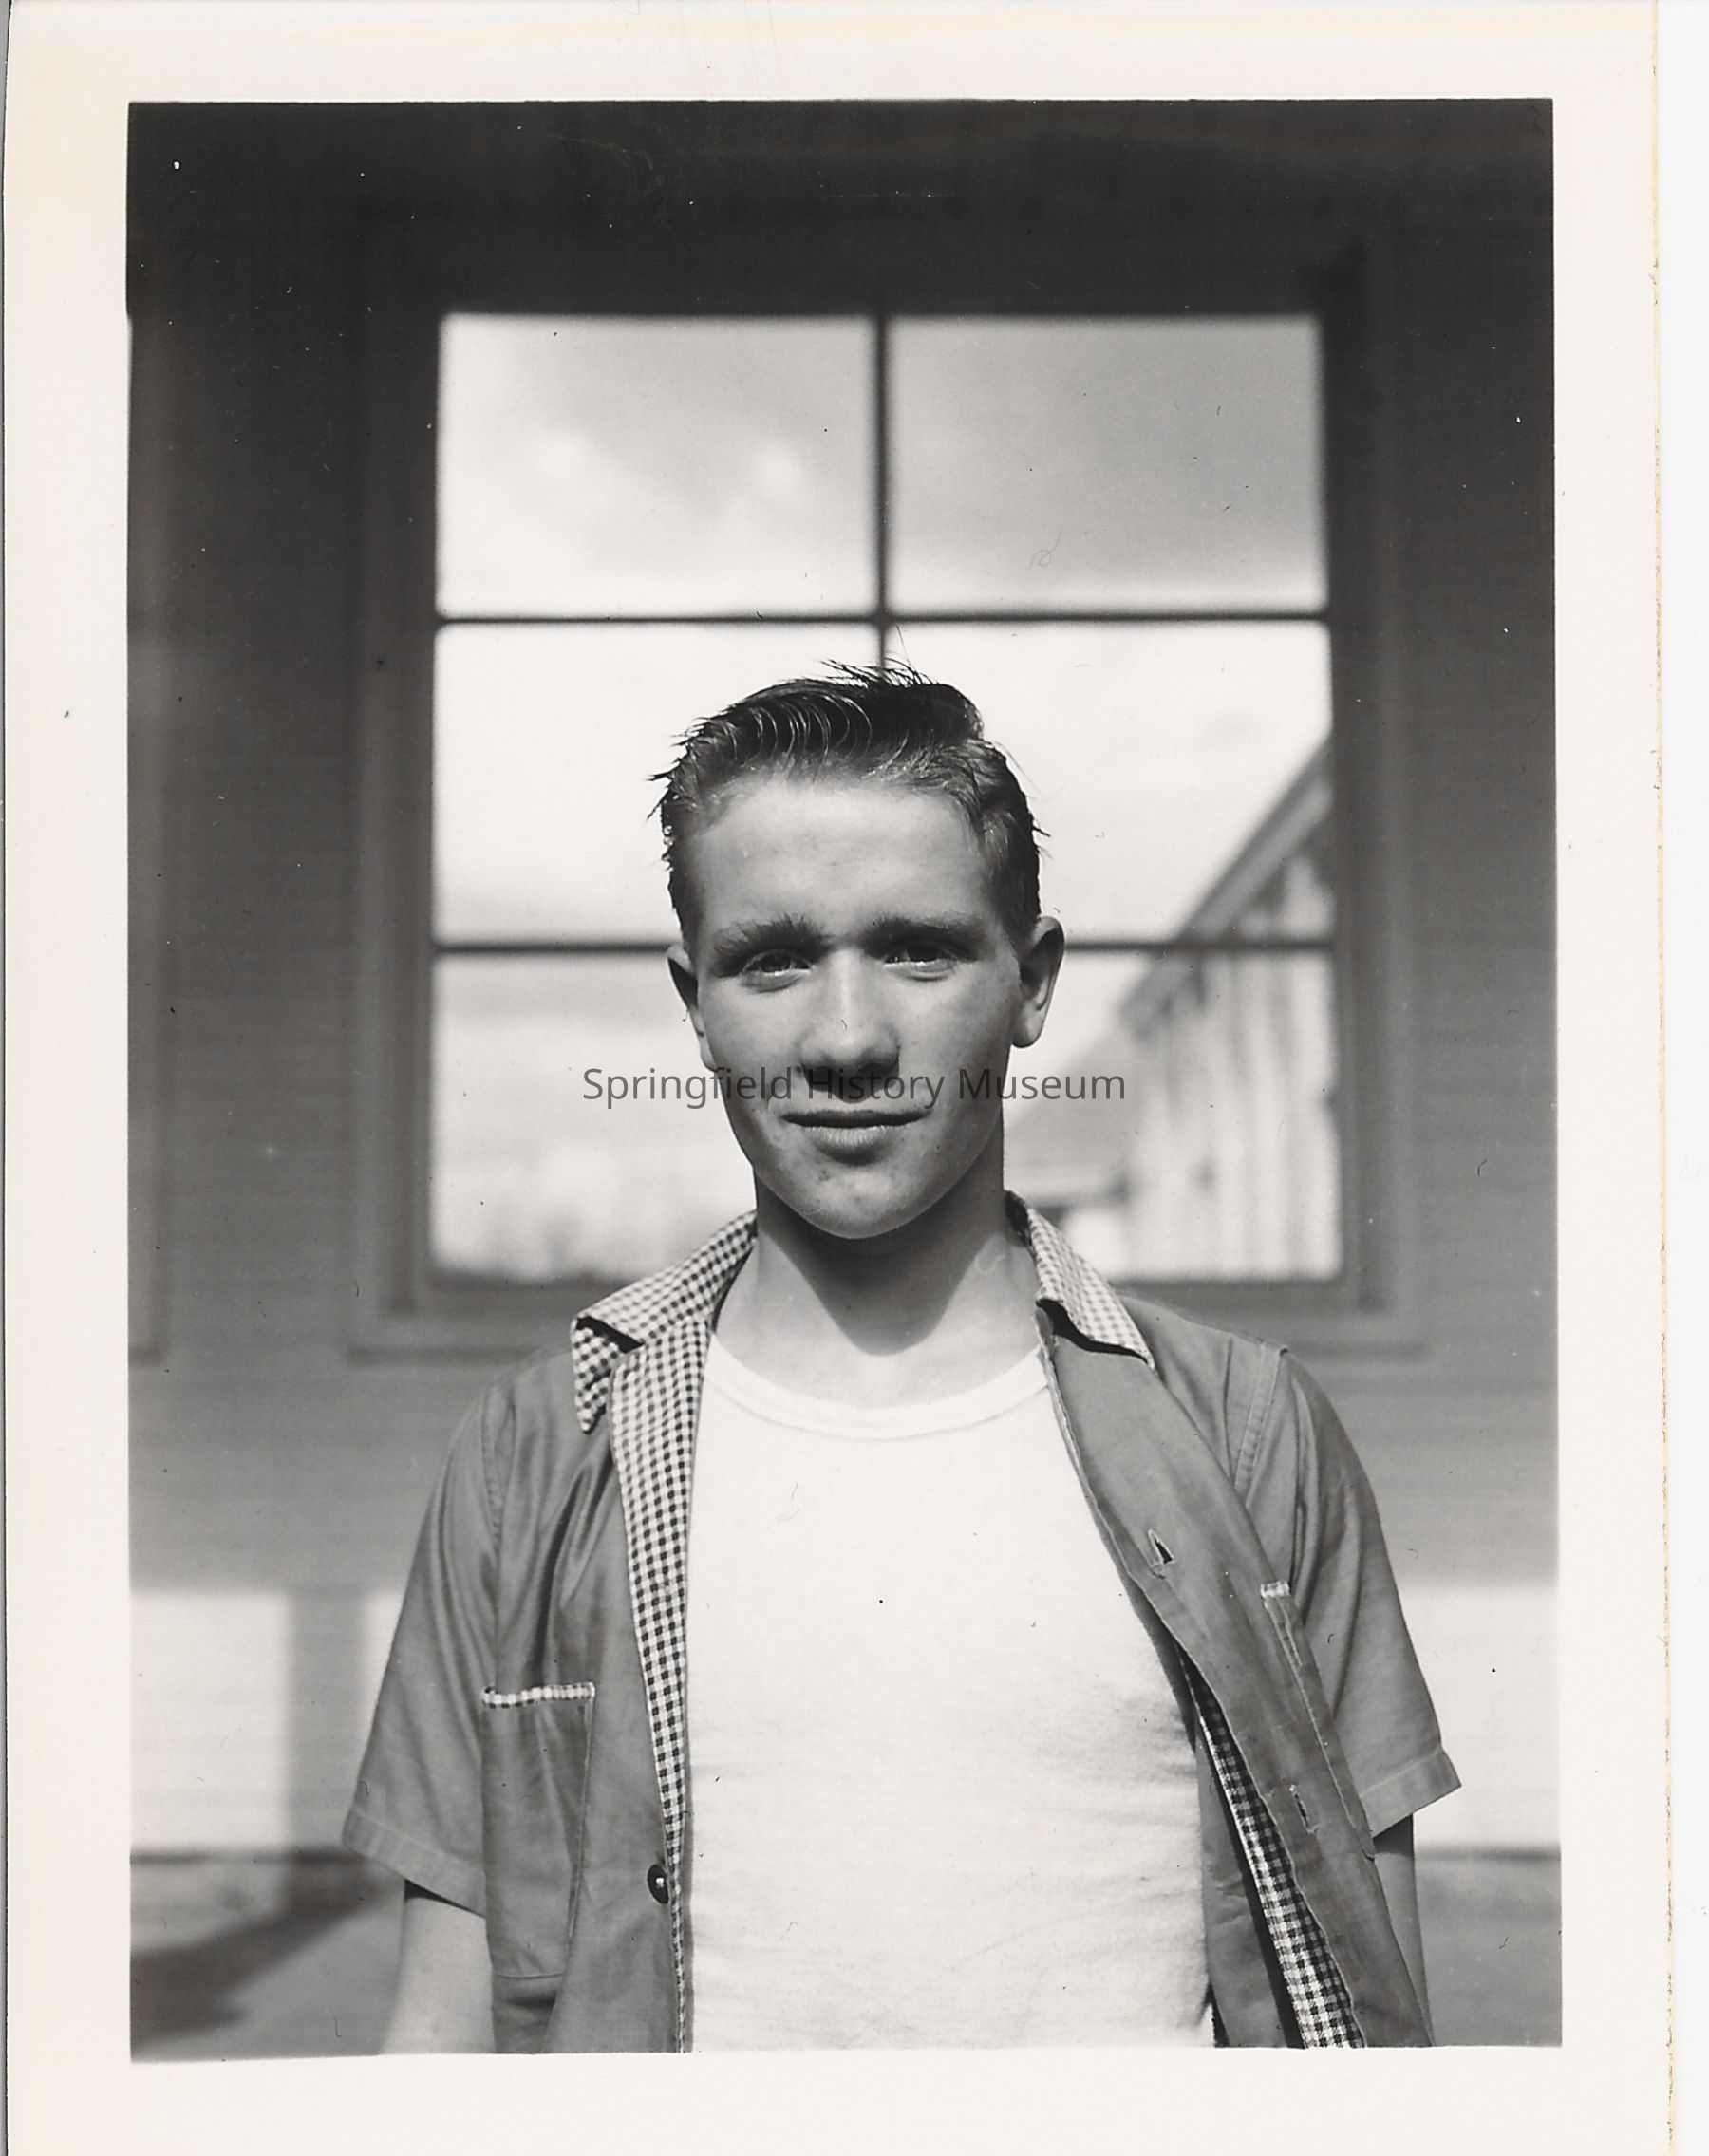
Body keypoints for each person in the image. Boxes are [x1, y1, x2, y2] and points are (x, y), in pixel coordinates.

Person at [345, 667, 1458, 2052]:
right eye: (774, 959)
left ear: (1031, 984)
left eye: (919, 950)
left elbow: (1378, 2039)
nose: (848, 1039)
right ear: (696, 1002)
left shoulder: (1246, 1432)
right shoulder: (538, 1457)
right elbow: (438, 2050)